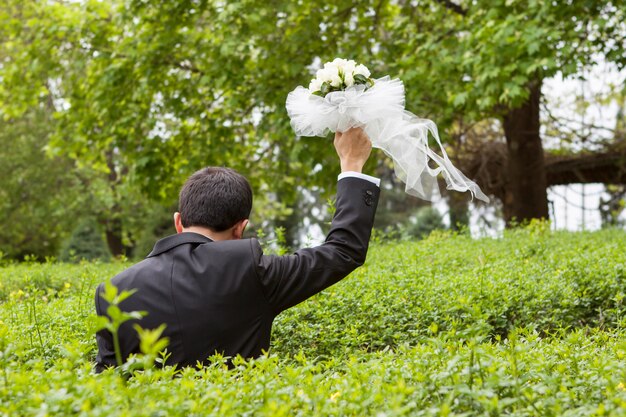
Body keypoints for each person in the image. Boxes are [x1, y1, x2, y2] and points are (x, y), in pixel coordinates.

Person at [94, 127, 380, 371]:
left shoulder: (113, 291)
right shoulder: (251, 269)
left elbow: (105, 379)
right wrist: (352, 163)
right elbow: (343, 251)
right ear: (241, 227)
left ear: (178, 222)